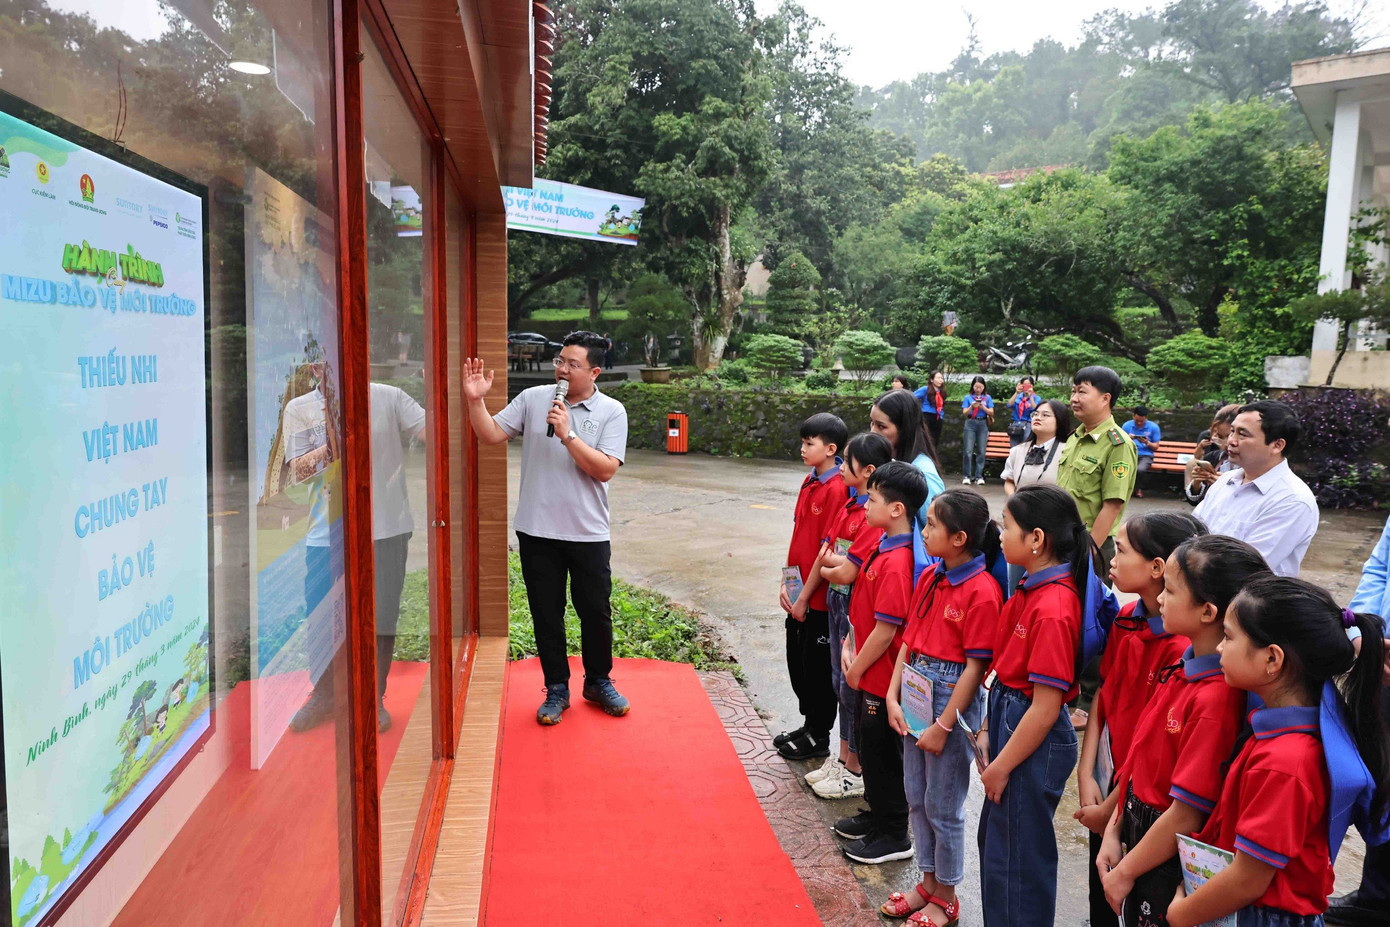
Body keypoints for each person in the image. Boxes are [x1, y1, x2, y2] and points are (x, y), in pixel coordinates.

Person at [1164, 577, 1388, 927]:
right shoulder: (1281, 732)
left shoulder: (1286, 762)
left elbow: (1248, 880)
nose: (1220, 648)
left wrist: (1179, 915)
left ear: (1272, 658)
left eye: (1229, 637)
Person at [1097, 536, 1271, 926]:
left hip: (1163, 853)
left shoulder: (1216, 698)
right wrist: (1113, 830)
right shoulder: (1183, 666)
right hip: (1137, 830)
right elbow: (1139, 761)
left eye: (1171, 590)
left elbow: (1187, 814)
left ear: (1208, 611)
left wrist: (1125, 872)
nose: (1160, 598)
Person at [464, 331, 630, 725]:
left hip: (587, 532)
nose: (562, 370)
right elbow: (490, 434)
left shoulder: (612, 411)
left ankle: (598, 681)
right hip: (537, 530)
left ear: (594, 372)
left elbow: (605, 469)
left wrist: (568, 434)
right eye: (560, 361)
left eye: (573, 364)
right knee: (546, 613)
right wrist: (475, 401)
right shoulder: (533, 398)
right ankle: (556, 688)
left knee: (595, 612)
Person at [1074, 513, 1208, 927]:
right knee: (1101, 887)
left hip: (1142, 799)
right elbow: (1104, 694)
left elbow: (1151, 743)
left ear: (1156, 567)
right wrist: (1085, 771)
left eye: (1122, 550)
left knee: (1133, 896)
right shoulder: (1127, 616)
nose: (1112, 560)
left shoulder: (1181, 648)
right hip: (1108, 780)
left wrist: (1111, 809)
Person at [881, 489, 1003, 926]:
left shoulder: (983, 591)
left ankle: (947, 895)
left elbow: (975, 668)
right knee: (916, 796)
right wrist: (892, 695)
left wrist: (944, 725)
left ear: (959, 538)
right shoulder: (930, 576)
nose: (924, 530)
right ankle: (928, 883)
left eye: (932, 524)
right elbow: (908, 641)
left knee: (943, 805)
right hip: (915, 686)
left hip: (950, 699)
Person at [287, 371, 425, 735]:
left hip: (387, 529)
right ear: (315, 367)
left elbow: (434, 432)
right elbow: (298, 472)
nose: (329, 366)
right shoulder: (300, 408)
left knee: (380, 616)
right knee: (323, 618)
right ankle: (326, 695)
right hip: (327, 535)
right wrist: (335, 439)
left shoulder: (389, 396)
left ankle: (371, 696)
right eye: (321, 360)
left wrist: (445, 391)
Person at [976, 484, 1090, 927]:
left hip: (1028, 732)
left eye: (1007, 526)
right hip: (1010, 719)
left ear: (1037, 539)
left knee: (1019, 863)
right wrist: (989, 728)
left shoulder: (1055, 606)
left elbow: (1045, 707)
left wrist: (1001, 766)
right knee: (1000, 847)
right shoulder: (1030, 586)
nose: (1000, 534)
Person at [834, 461, 928, 865]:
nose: (866, 505)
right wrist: (850, 645)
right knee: (871, 749)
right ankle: (877, 815)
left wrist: (856, 670)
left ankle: (894, 833)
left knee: (884, 755)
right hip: (868, 669)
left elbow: (887, 630)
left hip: (881, 675)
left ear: (896, 509)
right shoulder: (883, 544)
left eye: (872, 499)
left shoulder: (897, 561)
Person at [809, 432, 893, 800]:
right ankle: (843, 757)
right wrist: (835, 563)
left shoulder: (871, 517)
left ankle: (853, 767)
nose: (841, 466)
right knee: (838, 682)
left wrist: (832, 564)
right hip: (838, 601)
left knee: (851, 686)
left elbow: (844, 569)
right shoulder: (849, 504)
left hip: (853, 605)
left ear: (869, 471)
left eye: (847, 460)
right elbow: (829, 554)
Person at [1326, 510, 1390, 927]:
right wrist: (1369, 635)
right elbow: (1380, 568)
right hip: (1385, 660)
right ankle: (1377, 897)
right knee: (1384, 775)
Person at [775, 412, 850, 760]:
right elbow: (799, 534)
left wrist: (805, 597)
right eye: (803, 442)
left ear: (831, 449)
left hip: (817, 597)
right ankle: (808, 725)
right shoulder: (810, 481)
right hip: (799, 589)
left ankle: (819, 736)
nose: (803, 449)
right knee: (799, 662)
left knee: (818, 670)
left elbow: (826, 550)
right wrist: (787, 582)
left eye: (809, 443)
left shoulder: (837, 489)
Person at [1192, 400, 1318, 577]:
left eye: (1242, 434)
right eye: (1232, 432)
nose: (1231, 441)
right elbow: (1191, 531)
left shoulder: (1292, 500)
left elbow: (1244, 568)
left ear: (1277, 445)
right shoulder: (1225, 481)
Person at [1057, 365, 1138, 578]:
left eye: (1082, 392)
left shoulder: (1118, 444)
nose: (1074, 398)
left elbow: (1112, 505)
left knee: (1087, 599)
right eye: (1073, 391)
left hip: (1092, 543)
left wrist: (1088, 552)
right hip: (1061, 539)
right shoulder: (1075, 437)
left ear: (1105, 399)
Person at [1002, 399, 1072, 591]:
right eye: (1035, 414)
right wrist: (1014, 499)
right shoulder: (1018, 451)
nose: (1038, 418)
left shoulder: (1068, 452)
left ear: (1060, 421)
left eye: (1045, 415)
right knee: (1016, 584)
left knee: (1047, 585)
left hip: (1051, 528)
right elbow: (1009, 480)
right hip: (1020, 524)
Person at [869, 389, 946, 527]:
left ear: (904, 429)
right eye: (872, 423)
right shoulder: (890, 462)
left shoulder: (923, 473)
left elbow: (940, 527)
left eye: (881, 426)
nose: (872, 432)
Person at [1183, 403, 1240, 505]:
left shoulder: (1252, 466)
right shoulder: (1215, 457)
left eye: (1230, 435)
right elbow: (1194, 501)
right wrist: (1197, 481)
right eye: (1220, 437)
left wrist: (1224, 486)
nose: (1227, 442)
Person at [1121, 405, 1162, 499]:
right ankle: (1125, 489)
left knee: (1140, 469)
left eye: (1141, 421)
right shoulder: (1127, 426)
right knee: (1123, 467)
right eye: (1137, 421)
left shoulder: (1153, 427)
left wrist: (1147, 442)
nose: (1139, 423)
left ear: (1146, 418)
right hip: (1130, 452)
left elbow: (1156, 447)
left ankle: (1137, 489)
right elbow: (1120, 442)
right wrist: (1127, 438)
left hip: (1146, 455)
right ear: (1133, 416)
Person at [959, 376, 994, 485]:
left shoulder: (987, 398)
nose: (978, 389)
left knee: (981, 451)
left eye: (980, 387)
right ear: (972, 386)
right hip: (970, 423)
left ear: (984, 387)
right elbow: (965, 413)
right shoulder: (968, 397)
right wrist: (972, 406)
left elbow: (991, 412)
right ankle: (966, 475)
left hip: (982, 423)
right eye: (976, 387)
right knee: (968, 450)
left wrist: (983, 407)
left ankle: (979, 476)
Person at [913, 371, 947, 448]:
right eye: (938, 378)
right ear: (931, 380)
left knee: (935, 441)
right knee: (925, 439)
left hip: (938, 417)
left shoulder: (941, 391)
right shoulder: (925, 389)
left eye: (941, 378)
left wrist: (941, 416)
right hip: (927, 416)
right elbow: (912, 396)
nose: (940, 380)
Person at [1007, 376, 1040, 447]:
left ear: (1032, 386)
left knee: (1025, 446)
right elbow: (1009, 405)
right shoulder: (1018, 396)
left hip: (1028, 425)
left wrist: (1030, 396)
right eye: (1024, 385)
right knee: (1014, 447)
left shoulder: (1036, 398)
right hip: (1016, 424)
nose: (1026, 387)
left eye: (1028, 385)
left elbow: (1034, 408)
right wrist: (1016, 392)